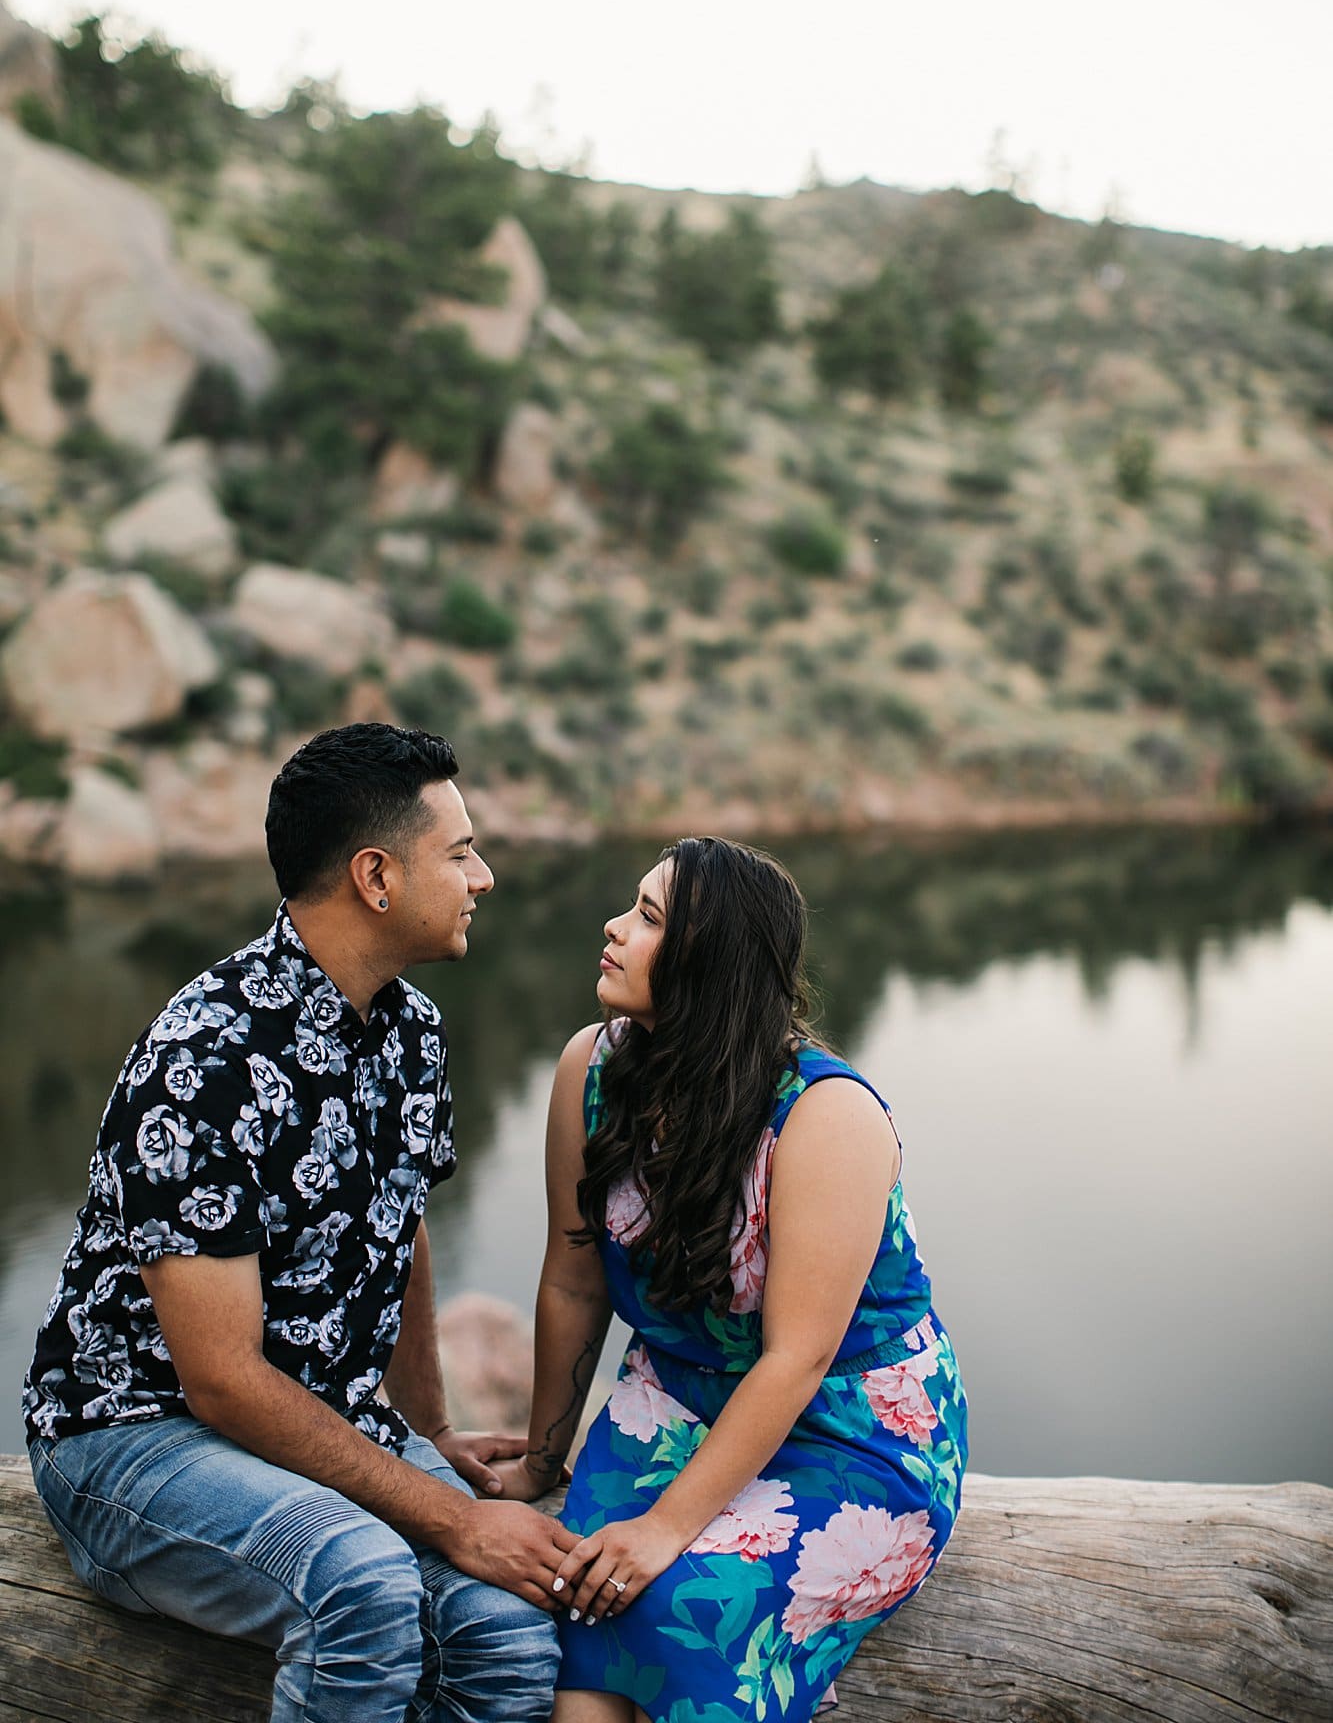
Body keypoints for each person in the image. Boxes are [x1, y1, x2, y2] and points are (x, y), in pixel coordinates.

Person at [23, 722, 572, 1723]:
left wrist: (431, 1424)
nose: (483, 875)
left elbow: (397, 1233)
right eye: (459, 850)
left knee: (512, 1630)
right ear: (375, 875)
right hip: (136, 1438)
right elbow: (222, 1381)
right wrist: (452, 1515)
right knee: (362, 1581)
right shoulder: (205, 1062)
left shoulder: (412, 1031)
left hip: (320, 1425)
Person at [494, 835, 968, 1723]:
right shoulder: (589, 1071)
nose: (611, 927)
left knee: (681, 1607)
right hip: (670, 1400)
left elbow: (795, 1357)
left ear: (709, 962)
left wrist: (665, 1530)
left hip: (848, 1420)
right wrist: (539, 1460)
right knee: (582, 1600)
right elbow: (573, 1282)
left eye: (645, 918)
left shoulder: (826, 1115)